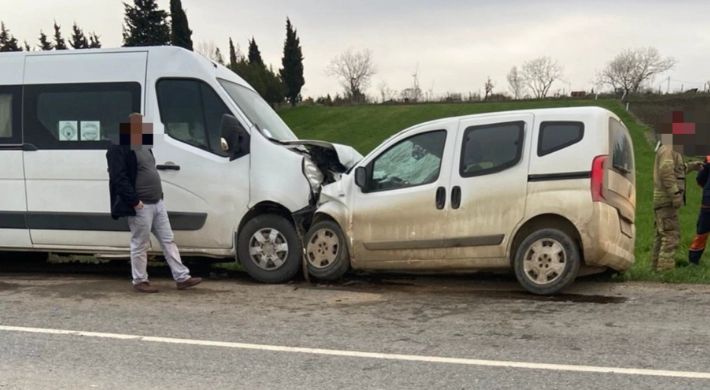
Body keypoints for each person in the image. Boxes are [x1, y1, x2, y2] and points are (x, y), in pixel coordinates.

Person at [106, 113, 202, 293]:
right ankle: (140, 280)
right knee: (140, 243)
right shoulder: (119, 145)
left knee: (168, 240)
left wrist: (159, 194)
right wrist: (134, 202)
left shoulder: (142, 144)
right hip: (141, 205)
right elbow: (118, 177)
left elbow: (148, 169)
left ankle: (182, 277)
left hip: (157, 202)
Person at [651, 139, 702, 271]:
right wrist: (675, 195)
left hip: (663, 200)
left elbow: (677, 169)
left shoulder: (671, 150)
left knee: (661, 235)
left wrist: (692, 166)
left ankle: (656, 268)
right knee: (671, 236)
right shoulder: (668, 150)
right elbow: (666, 173)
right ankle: (665, 271)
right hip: (667, 200)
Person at [688, 156, 710, 265]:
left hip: (708, 202)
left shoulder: (709, 158)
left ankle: (693, 260)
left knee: (702, 232)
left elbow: (700, 180)